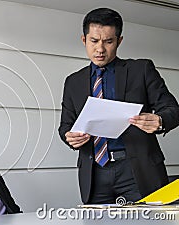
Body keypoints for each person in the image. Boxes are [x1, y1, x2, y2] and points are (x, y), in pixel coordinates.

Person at [59, 8, 179, 204]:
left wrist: (160, 121)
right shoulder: (73, 82)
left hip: (137, 170)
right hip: (94, 172)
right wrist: (69, 137)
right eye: (94, 41)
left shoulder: (141, 70)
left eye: (108, 42)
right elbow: (65, 125)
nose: (100, 49)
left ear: (119, 41)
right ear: (84, 40)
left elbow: (173, 109)